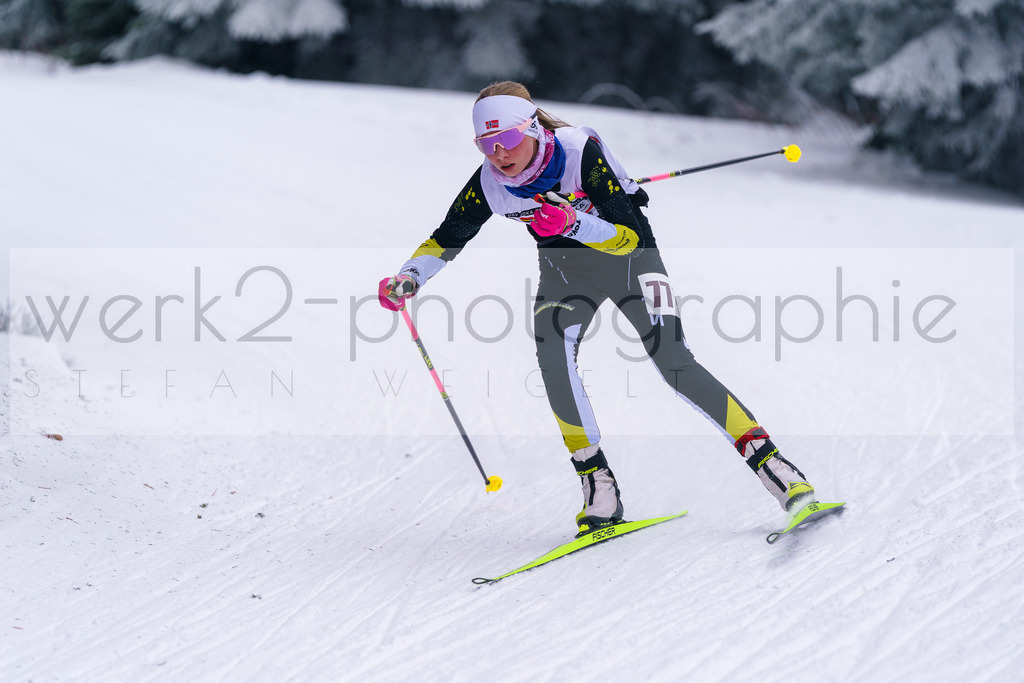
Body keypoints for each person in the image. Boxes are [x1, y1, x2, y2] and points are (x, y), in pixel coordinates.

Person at [378, 81, 815, 533]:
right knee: (552, 357)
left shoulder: (579, 151)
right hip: (565, 272)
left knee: (674, 362)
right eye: (485, 144)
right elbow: (448, 236)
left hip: (631, 259)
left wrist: (573, 221)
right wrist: (409, 277)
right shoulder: (490, 183)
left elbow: (628, 237)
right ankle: (598, 487)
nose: (499, 154)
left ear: (531, 128)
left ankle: (777, 469)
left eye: (506, 139)